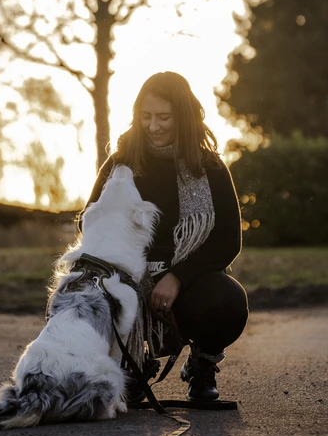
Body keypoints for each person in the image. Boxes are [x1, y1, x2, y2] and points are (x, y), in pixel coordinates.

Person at [83, 71, 248, 403]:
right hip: (127, 279)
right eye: (146, 117)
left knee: (226, 300)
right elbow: (90, 222)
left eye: (163, 117)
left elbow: (228, 239)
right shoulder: (121, 164)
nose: (153, 126)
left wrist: (177, 276)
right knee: (89, 295)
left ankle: (202, 364)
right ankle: (131, 362)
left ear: (183, 117)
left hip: (186, 284)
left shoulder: (210, 168)